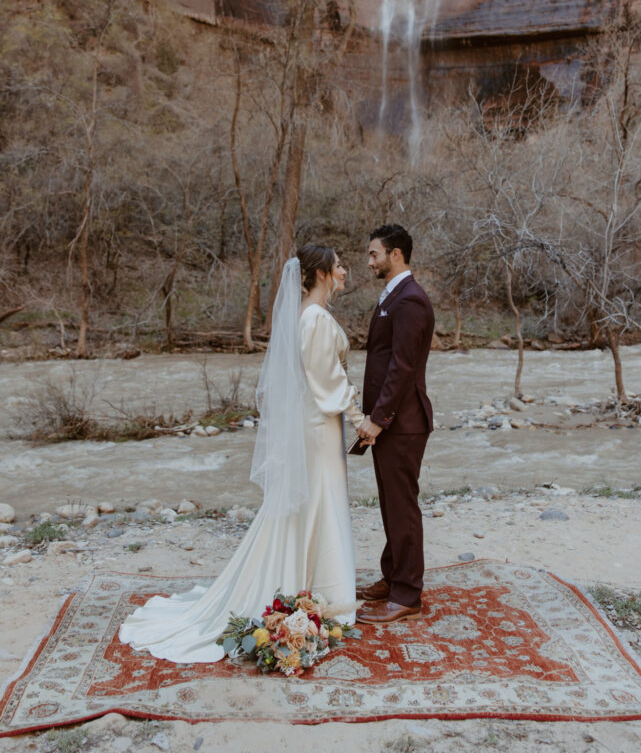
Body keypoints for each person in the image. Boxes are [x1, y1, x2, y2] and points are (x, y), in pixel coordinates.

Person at [119, 245, 363, 663]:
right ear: (322, 272)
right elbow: (329, 381)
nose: (345, 272)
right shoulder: (316, 318)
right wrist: (360, 419)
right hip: (319, 426)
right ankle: (321, 593)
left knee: (312, 503)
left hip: (312, 423)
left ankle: (311, 587)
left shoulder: (302, 315)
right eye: (339, 266)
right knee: (322, 498)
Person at [355, 223, 435, 624]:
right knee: (390, 502)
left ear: (396, 255)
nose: (370, 261)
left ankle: (408, 595)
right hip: (389, 422)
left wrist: (378, 420)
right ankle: (392, 577)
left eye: (374, 254)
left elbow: (402, 368)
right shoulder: (394, 297)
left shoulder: (410, 302)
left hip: (402, 424)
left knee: (402, 506)